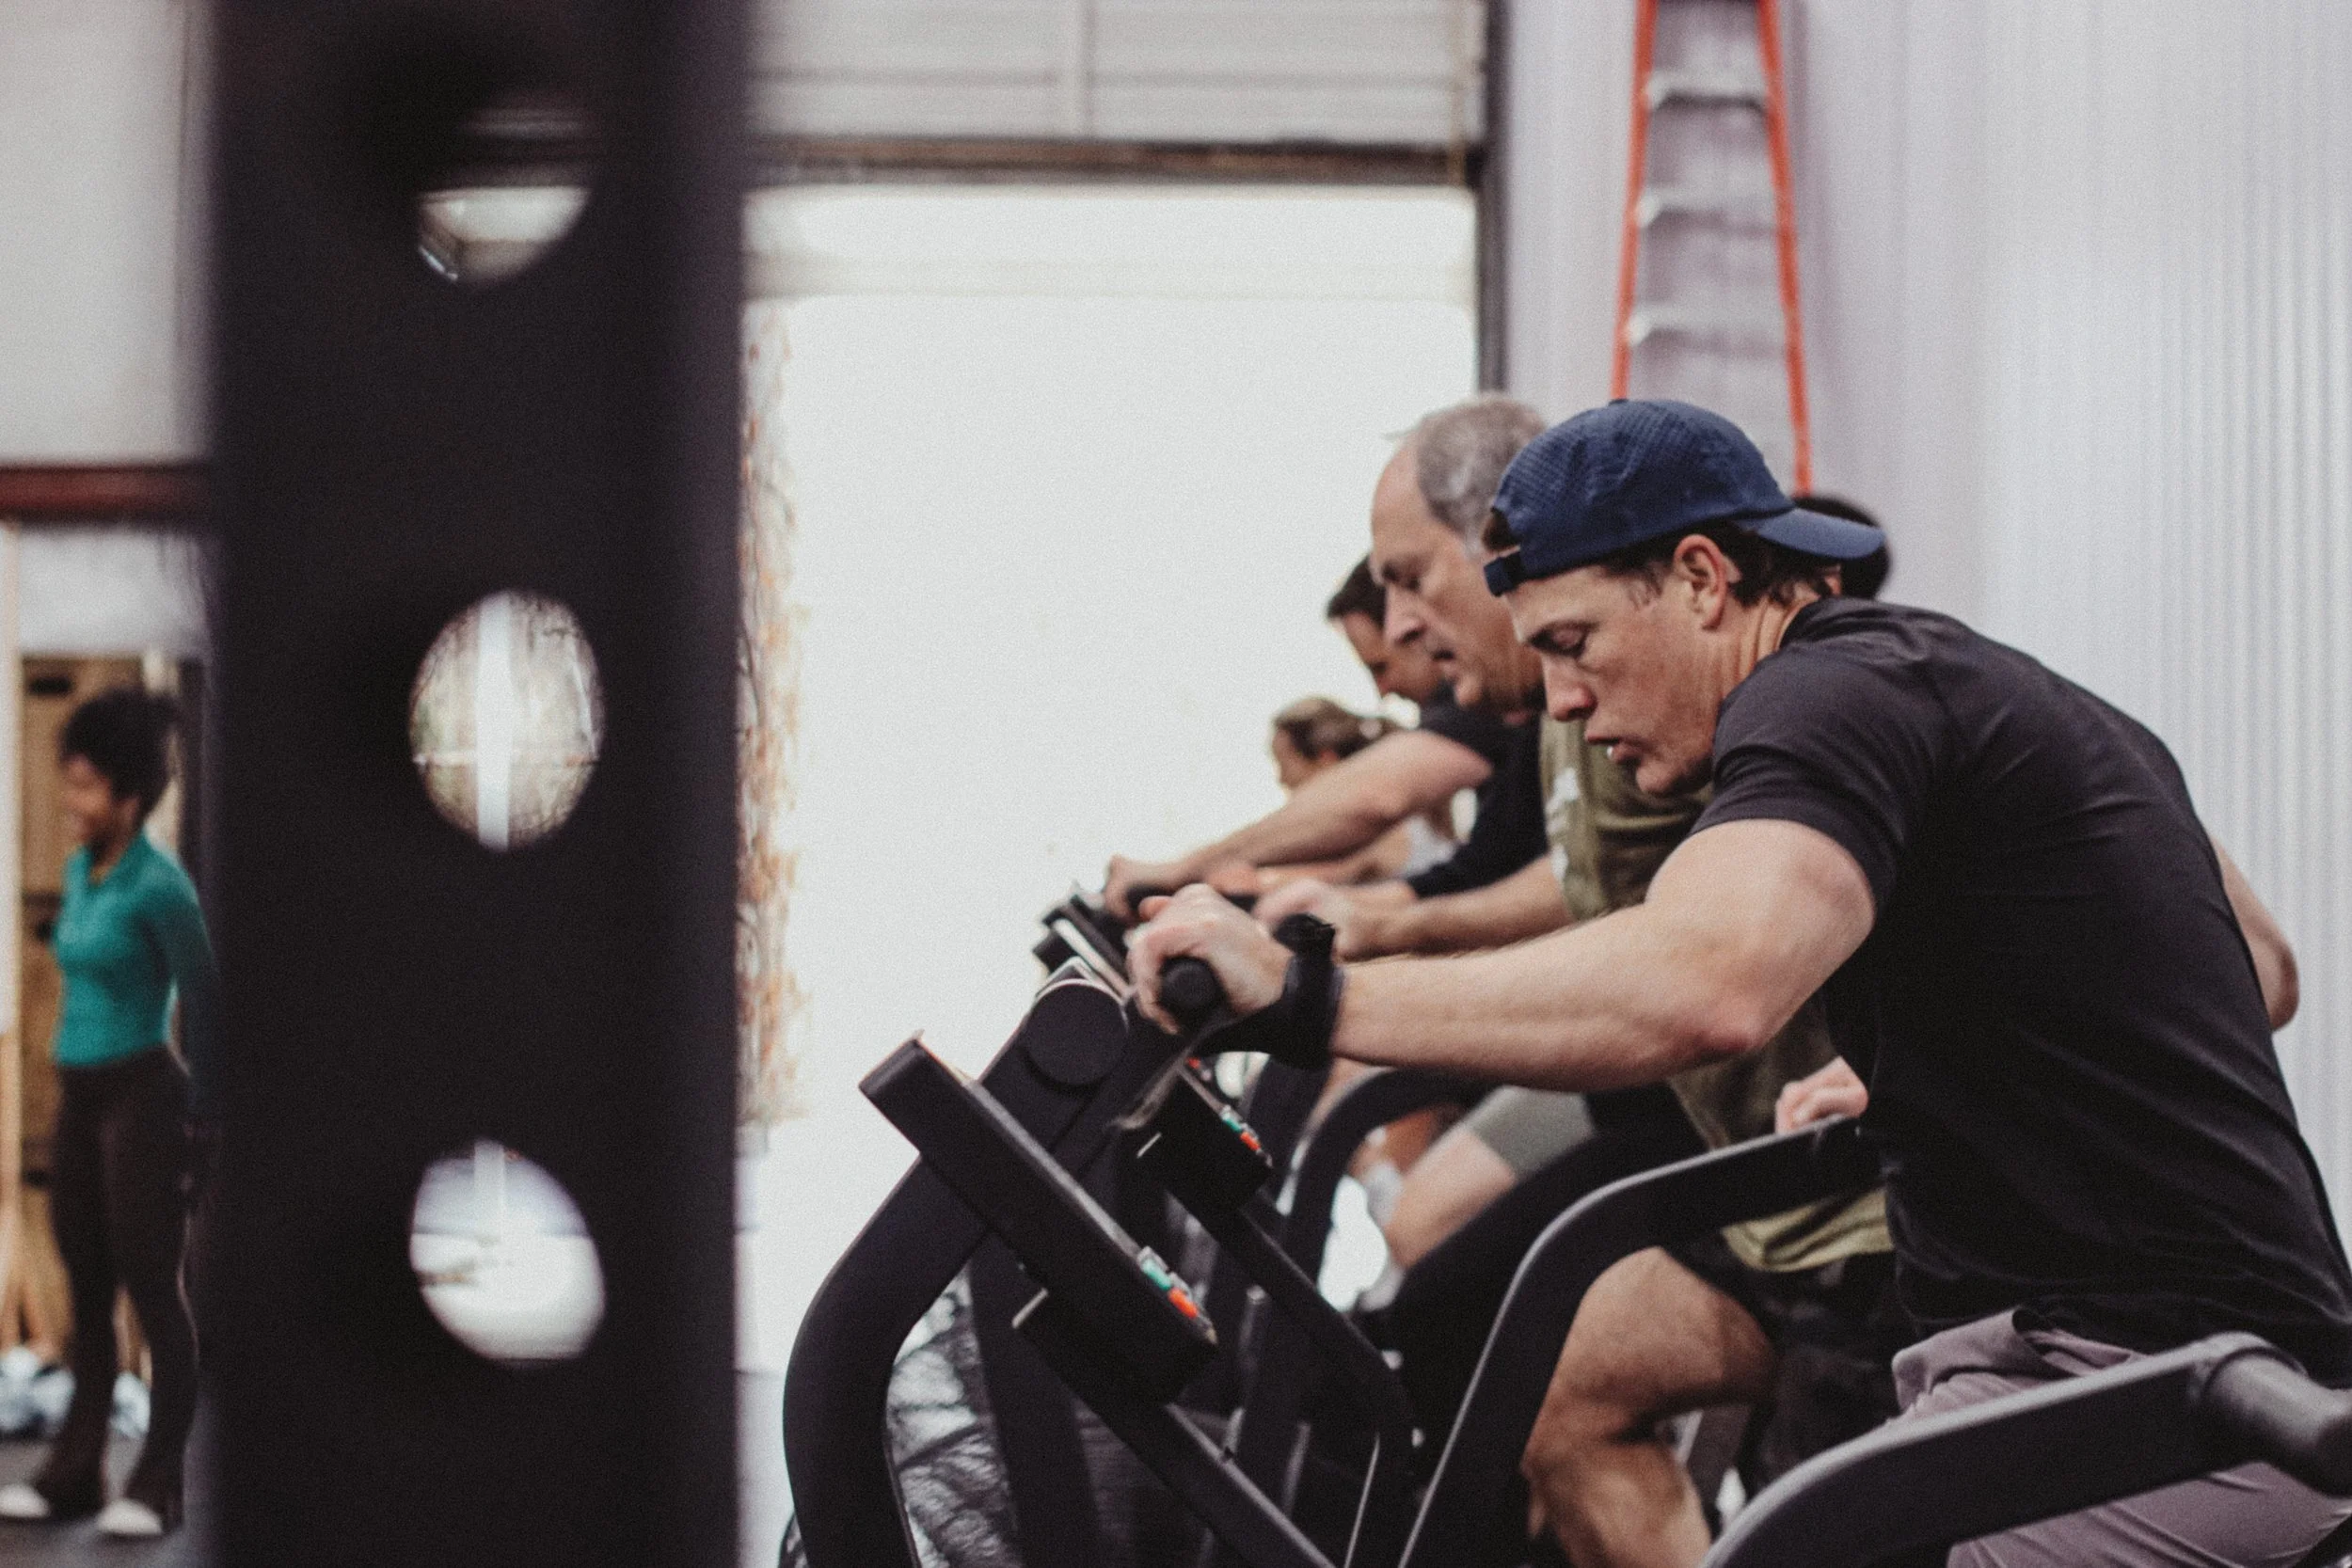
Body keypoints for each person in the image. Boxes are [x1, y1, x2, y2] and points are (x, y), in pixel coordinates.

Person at [1131, 399, 2346, 1567]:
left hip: (2179, 1384)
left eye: (1574, 645)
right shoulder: (1978, 679)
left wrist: (1307, 998)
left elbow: (1708, 984)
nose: (1562, 701)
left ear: (1705, 580)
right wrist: (1921, 1052)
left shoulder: (1816, 698)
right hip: (2048, 1354)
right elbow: (2259, 968)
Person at [0, 689, 214, 1538]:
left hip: (143, 1096)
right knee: (87, 1291)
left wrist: (205, 1126)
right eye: (68, 781)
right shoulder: (81, 871)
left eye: (86, 785)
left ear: (130, 793)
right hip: (80, 1097)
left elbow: (209, 1004)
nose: (70, 799)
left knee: (153, 1290)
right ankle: (75, 1472)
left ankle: (158, 1483)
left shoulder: (161, 886)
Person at [1258, 698, 1454, 887]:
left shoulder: (1374, 826)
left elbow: (1334, 872)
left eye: (1283, 765)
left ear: (1326, 761)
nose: (1281, 779)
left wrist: (1252, 873)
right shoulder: (1397, 817)